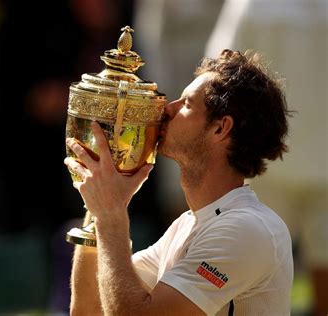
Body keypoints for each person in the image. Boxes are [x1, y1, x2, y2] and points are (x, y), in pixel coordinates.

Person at [64, 49, 293, 315]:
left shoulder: (246, 228)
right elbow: (88, 310)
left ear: (221, 128)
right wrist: (97, 204)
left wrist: (110, 214)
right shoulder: (185, 226)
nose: (167, 109)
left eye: (186, 103)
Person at [204, 1, 327, 314]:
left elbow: (217, 74)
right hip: (277, 167)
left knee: (245, 283)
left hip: (267, 165)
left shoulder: (251, 5)